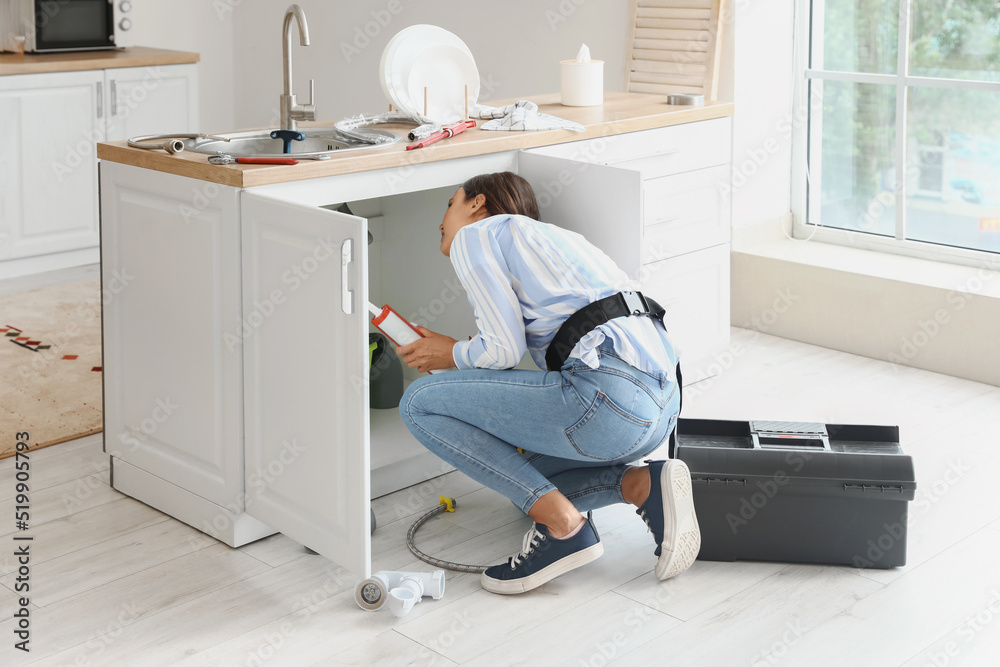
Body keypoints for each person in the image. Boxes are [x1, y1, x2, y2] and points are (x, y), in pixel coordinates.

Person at [396, 171, 700, 595]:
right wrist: (464, 357)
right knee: (528, 475)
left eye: (450, 204)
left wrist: (450, 353)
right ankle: (642, 484)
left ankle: (565, 527)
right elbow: (510, 350)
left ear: (477, 204)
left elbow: (502, 351)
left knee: (419, 403)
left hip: (609, 400)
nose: (442, 220)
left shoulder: (477, 235)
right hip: (660, 409)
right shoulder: (552, 239)